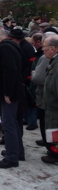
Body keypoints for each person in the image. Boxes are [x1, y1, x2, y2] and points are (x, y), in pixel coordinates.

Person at [0, 29, 25, 168]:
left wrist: (7, 93)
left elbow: (10, 70)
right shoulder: (11, 46)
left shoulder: (4, 48)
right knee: (13, 123)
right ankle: (17, 151)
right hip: (13, 90)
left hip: (10, 93)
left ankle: (12, 157)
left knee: (8, 123)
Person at [8, 29, 36, 131]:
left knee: (30, 100)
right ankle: (28, 119)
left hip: (26, 77)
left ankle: (32, 122)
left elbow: (28, 64)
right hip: (25, 76)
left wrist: (24, 78)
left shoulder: (25, 47)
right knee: (25, 100)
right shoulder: (24, 46)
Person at [41, 34, 58, 166]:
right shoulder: (54, 62)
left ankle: (55, 155)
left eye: (44, 47)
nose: (42, 50)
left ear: (53, 48)